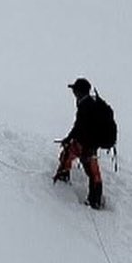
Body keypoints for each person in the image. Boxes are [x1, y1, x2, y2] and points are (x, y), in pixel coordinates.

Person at [53, 77, 103, 209]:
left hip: (84, 144)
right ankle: (95, 200)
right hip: (91, 144)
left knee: (68, 156)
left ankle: (63, 179)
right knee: (93, 172)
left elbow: (79, 126)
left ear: (80, 92)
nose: (73, 93)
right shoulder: (91, 104)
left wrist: (69, 139)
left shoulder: (85, 106)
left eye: (75, 90)